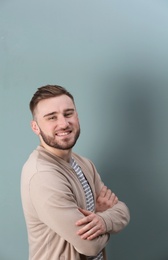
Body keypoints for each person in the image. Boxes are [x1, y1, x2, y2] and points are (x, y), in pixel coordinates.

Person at [21, 84, 130, 260]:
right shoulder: (43, 175)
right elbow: (89, 245)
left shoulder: (84, 164)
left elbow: (123, 211)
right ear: (35, 127)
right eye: (51, 117)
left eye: (68, 113)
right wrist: (107, 219)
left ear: (77, 116)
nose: (63, 123)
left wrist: (102, 221)